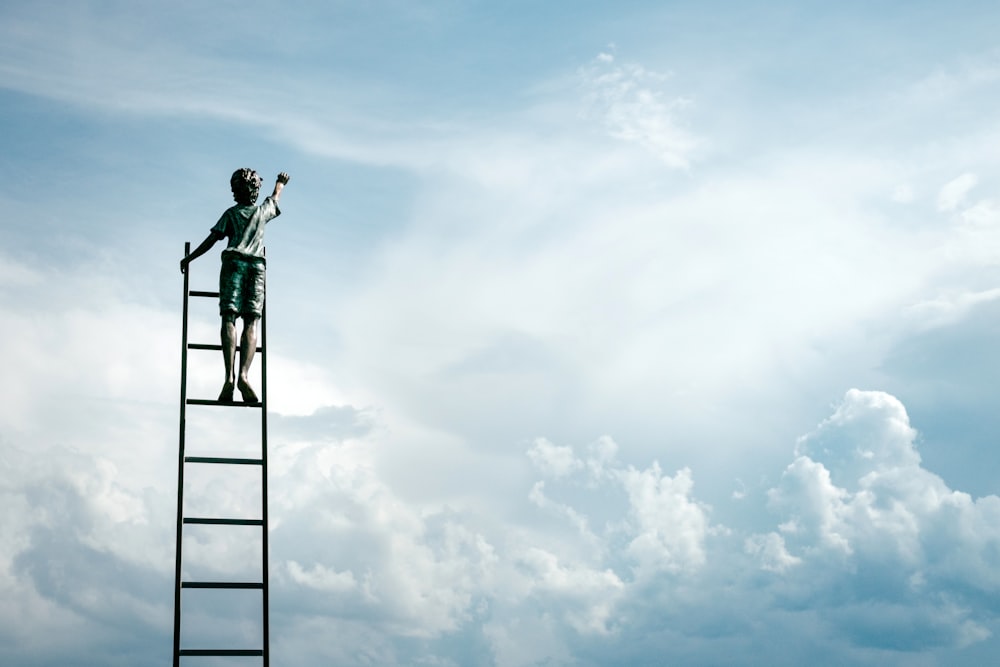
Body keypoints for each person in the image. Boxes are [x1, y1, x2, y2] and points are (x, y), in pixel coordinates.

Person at [180, 169, 290, 403]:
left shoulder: (231, 214)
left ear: (235, 190)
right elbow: (275, 198)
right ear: (255, 190)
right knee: (252, 321)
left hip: (233, 265)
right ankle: (243, 375)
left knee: (229, 318)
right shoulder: (262, 212)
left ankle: (229, 377)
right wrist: (280, 183)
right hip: (256, 267)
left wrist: (190, 259)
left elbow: (212, 240)